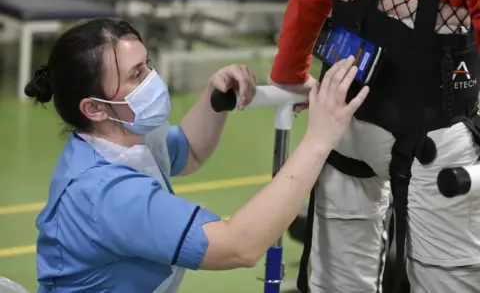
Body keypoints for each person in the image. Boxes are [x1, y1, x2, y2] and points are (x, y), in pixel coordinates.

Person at [25, 18, 369, 293]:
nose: (153, 80)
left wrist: (212, 98)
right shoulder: (104, 194)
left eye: (147, 65)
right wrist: (318, 140)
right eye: (136, 75)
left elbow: (187, 150)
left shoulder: (121, 140)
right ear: (95, 108)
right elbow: (239, 245)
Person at [269, 0, 480, 293]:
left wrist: (290, 71)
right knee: (445, 280)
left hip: (343, 117)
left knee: (339, 285)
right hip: (431, 137)